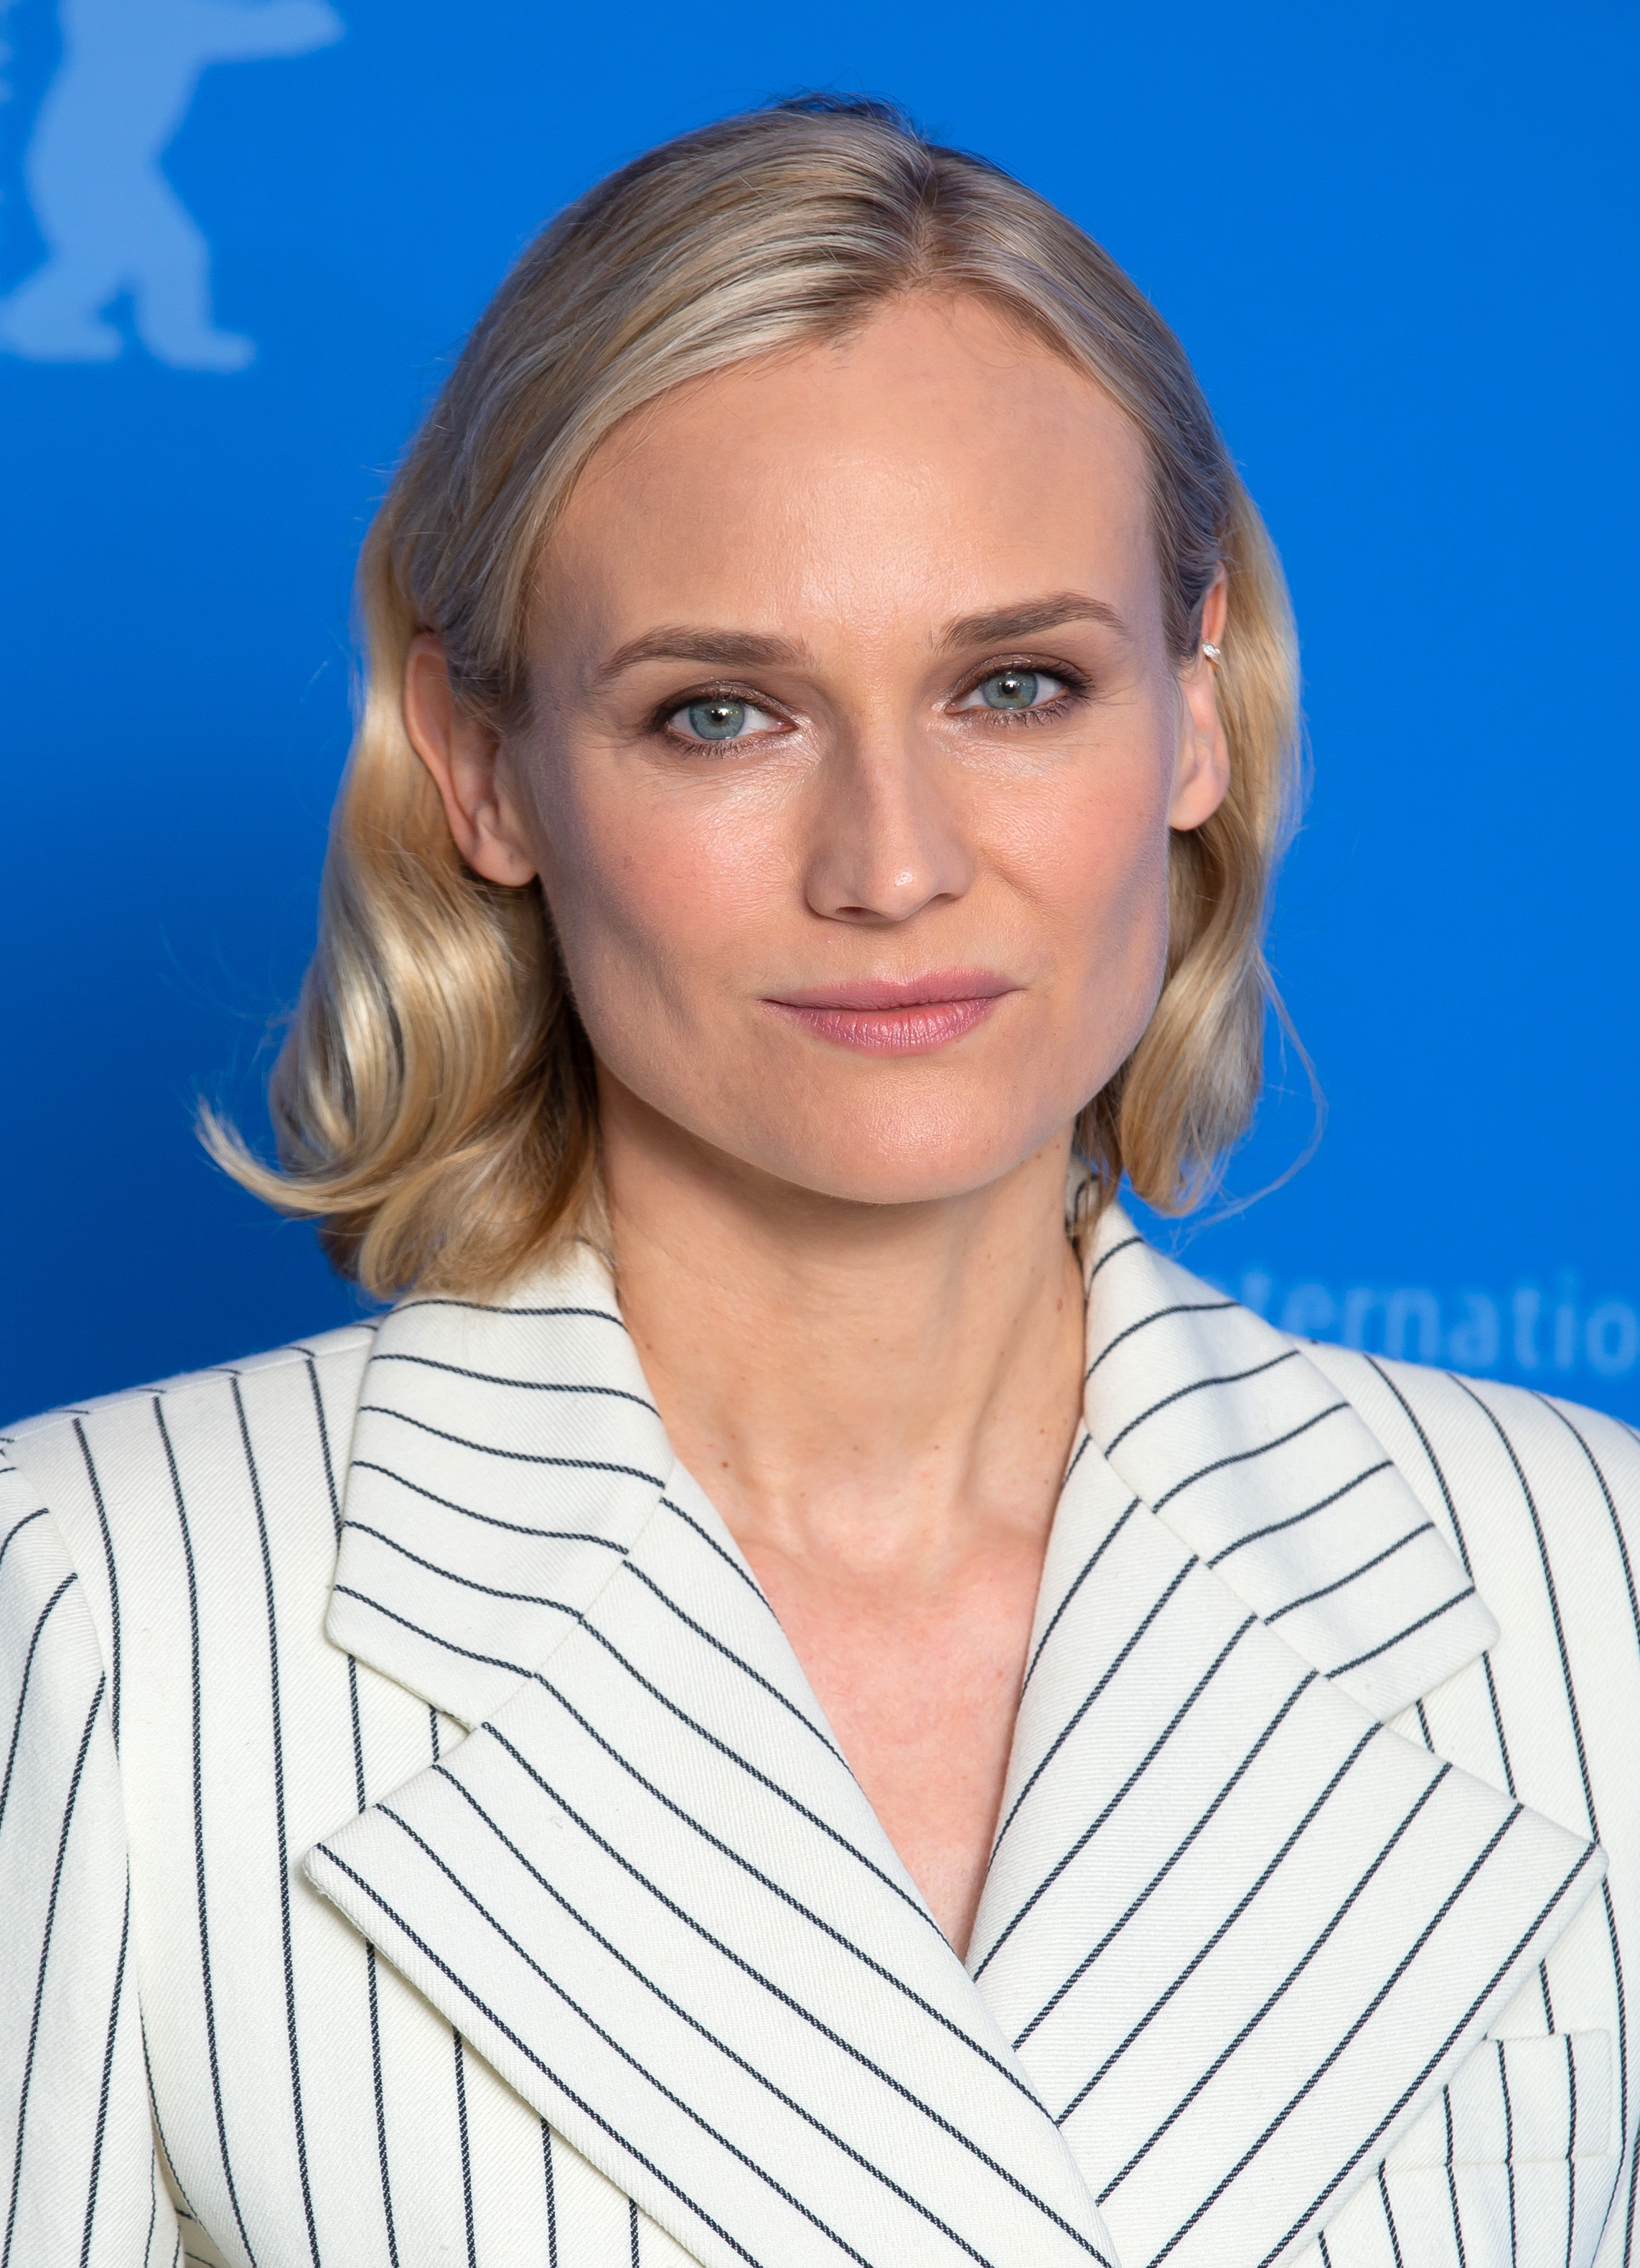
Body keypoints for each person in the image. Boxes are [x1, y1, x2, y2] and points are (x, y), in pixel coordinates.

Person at [2, 94, 1635, 2268]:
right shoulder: (96, 1614)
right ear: (485, 767)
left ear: (1197, 712)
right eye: (720, 714)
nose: (891, 865)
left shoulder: (1592, 1585)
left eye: (1017, 686)